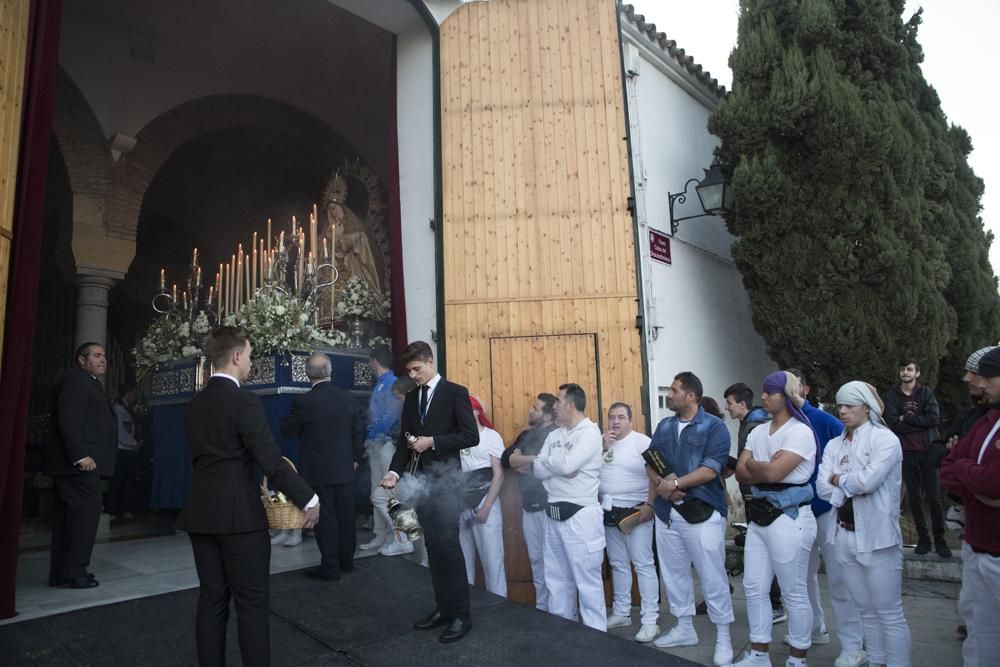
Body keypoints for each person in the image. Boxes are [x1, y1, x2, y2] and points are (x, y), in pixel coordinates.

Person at [176, 327, 319, 667]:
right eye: (251, 356)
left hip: (201, 513)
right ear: (237, 356)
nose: (251, 363)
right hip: (240, 518)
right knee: (252, 605)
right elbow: (269, 458)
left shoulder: (195, 402)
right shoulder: (244, 400)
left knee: (211, 600)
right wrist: (308, 498)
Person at [380, 341, 479, 644]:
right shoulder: (411, 398)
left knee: (449, 548)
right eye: (409, 371)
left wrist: (432, 442)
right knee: (434, 550)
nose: (413, 375)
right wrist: (395, 471)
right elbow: (403, 441)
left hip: (447, 486)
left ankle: (462, 614)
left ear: (430, 361)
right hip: (422, 486)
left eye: (417, 369)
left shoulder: (455, 392)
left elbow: (469, 435)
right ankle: (444, 609)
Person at [818, 381, 911, 667]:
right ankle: (876, 661)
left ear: (867, 408)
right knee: (865, 609)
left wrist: (839, 479)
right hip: (843, 535)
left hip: (878, 538)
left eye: (849, 406)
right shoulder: (835, 444)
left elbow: (868, 481)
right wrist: (847, 482)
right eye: (840, 405)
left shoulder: (885, 440)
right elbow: (822, 487)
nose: (842, 411)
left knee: (889, 612)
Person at [647, 373, 735, 666]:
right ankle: (685, 628)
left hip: (702, 511)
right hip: (667, 513)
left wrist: (674, 485)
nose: (669, 395)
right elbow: (652, 460)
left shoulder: (715, 427)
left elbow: (711, 469)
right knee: (673, 574)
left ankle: (723, 636)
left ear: (692, 396)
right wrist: (662, 486)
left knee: (712, 576)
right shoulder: (665, 426)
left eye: (673, 390)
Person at [734, 371, 818, 667]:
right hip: (760, 518)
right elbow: (740, 472)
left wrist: (758, 465)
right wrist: (764, 465)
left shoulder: (800, 432)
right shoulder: (758, 431)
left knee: (793, 590)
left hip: (790, 517)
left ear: (786, 396)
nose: (765, 397)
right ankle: (758, 655)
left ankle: (797, 658)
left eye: (770, 392)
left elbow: (772, 474)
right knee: (754, 587)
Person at [510, 383, 606, 631]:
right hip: (552, 515)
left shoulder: (589, 433)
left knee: (587, 584)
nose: (554, 406)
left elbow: (562, 467)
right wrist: (557, 466)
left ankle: (597, 645)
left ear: (571, 405)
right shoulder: (555, 435)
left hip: (580, 516)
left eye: (559, 401)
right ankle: (561, 640)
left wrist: (554, 466)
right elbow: (542, 470)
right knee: (556, 581)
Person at [787, 369, 864, 667]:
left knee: (840, 578)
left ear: (804, 389)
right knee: (802, 576)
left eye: (790, 386)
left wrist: (836, 494)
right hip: (797, 510)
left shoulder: (826, 421)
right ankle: (814, 627)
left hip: (827, 511)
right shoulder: (779, 424)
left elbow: (848, 460)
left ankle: (854, 643)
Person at [940, 347, 1000, 667]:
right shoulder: (985, 420)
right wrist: (972, 476)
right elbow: (947, 470)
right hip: (977, 549)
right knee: (980, 635)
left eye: (988, 376)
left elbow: (994, 483)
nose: (979, 383)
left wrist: (965, 470)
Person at [281, 352, 364, 581]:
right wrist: (356, 458)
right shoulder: (347, 398)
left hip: (318, 470)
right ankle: (347, 561)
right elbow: (358, 430)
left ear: (307, 374)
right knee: (347, 516)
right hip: (346, 467)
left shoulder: (304, 402)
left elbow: (287, 430)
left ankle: (330, 567)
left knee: (325, 519)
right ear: (330, 371)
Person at [45, 342, 117, 589]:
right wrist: (80, 456)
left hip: (77, 465)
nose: (103, 360)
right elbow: (69, 419)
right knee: (83, 519)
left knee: (71, 520)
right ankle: (74, 573)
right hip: (77, 465)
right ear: (81, 360)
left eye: (104, 356)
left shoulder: (87, 381)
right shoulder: (77, 380)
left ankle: (63, 573)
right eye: (97, 355)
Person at [724, 381, 784, 624]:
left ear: (742, 404)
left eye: (729, 403)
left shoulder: (756, 425)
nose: (727, 408)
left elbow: (754, 464)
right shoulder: (747, 423)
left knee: (771, 554)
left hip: (762, 498)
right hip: (753, 496)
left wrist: (739, 468)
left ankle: (777, 604)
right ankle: (771, 603)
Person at [598, 402, 658, 643]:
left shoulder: (641, 441)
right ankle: (622, 612)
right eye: (612, 417)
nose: (615, 421)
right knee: (618, 563)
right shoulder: (602, 443)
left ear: (631, 420)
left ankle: (650, 619)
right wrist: (603, 448)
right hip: (609, 510)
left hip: (635, 511)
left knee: (643, 564)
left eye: (621, 417)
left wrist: (650, 505)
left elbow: (656, 473)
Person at [883, 358, 948, 557]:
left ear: (917, 373)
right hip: (907, 453)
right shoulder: (892, 395)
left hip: (928, 452)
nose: (905, 372)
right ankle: (924, 540)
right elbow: (892, 422)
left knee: (935, 498)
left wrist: (907, 418)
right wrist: (919, 422)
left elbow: (934, 419)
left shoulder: (926, 393)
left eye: (909, 369)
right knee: (914, 499)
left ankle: (940, 540)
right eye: (902, 369)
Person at [500, 392, 558, 611]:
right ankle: (543, 609)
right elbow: (507, 459)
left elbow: (552, 466)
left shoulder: (556, 435)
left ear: (547, 415)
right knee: (536, 560)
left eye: (535, 408)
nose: (530, 410)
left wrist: (523, 461)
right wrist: (534, 461)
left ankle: (561, 611)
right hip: (529, 507)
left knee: (554, 563)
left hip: (550, 509)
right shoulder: (526, 435)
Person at [458, 394, 507, 596]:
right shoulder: (456, 438)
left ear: (477, 411)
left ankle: (499, 607)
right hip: (461, 503)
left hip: (486, 501)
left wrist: (486, 507)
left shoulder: (491, 437)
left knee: (492, 560)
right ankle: (465, 606)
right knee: (462, 561)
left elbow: (499, 475)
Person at [359, 346, 406, 555]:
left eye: (370, 362)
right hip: (377, 443)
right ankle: (382, 535)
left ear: (374, 361)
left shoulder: (392, 383)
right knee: (375, 491)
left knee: (390, 493)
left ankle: (403, 535)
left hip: (387, 444)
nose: (369, 366)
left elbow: (390, 416)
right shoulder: (380, 384)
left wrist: (374, 435)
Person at [108, 385, 141, 526]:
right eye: (133, 394)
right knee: (117, 481)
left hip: (129, 450)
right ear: (128, 394)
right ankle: (112, 511)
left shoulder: (128, 409)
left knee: (129, 481)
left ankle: (126, 509)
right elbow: (121, 430)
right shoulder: (118, 409)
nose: (134, 397)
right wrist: (132, 442)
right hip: (121, 449)